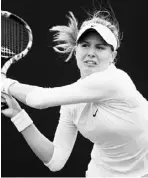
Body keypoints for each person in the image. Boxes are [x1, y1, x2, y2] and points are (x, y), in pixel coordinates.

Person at [1, 9, 148, 178]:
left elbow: (39, 99)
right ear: (76, 50)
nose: (91, 52)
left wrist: (4, 83)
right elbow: (56, 160)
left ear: (112, 56)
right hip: (103, 171)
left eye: (100, 47)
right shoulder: (73, 102)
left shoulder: (115, 81)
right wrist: (17, 114)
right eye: (85, 45)